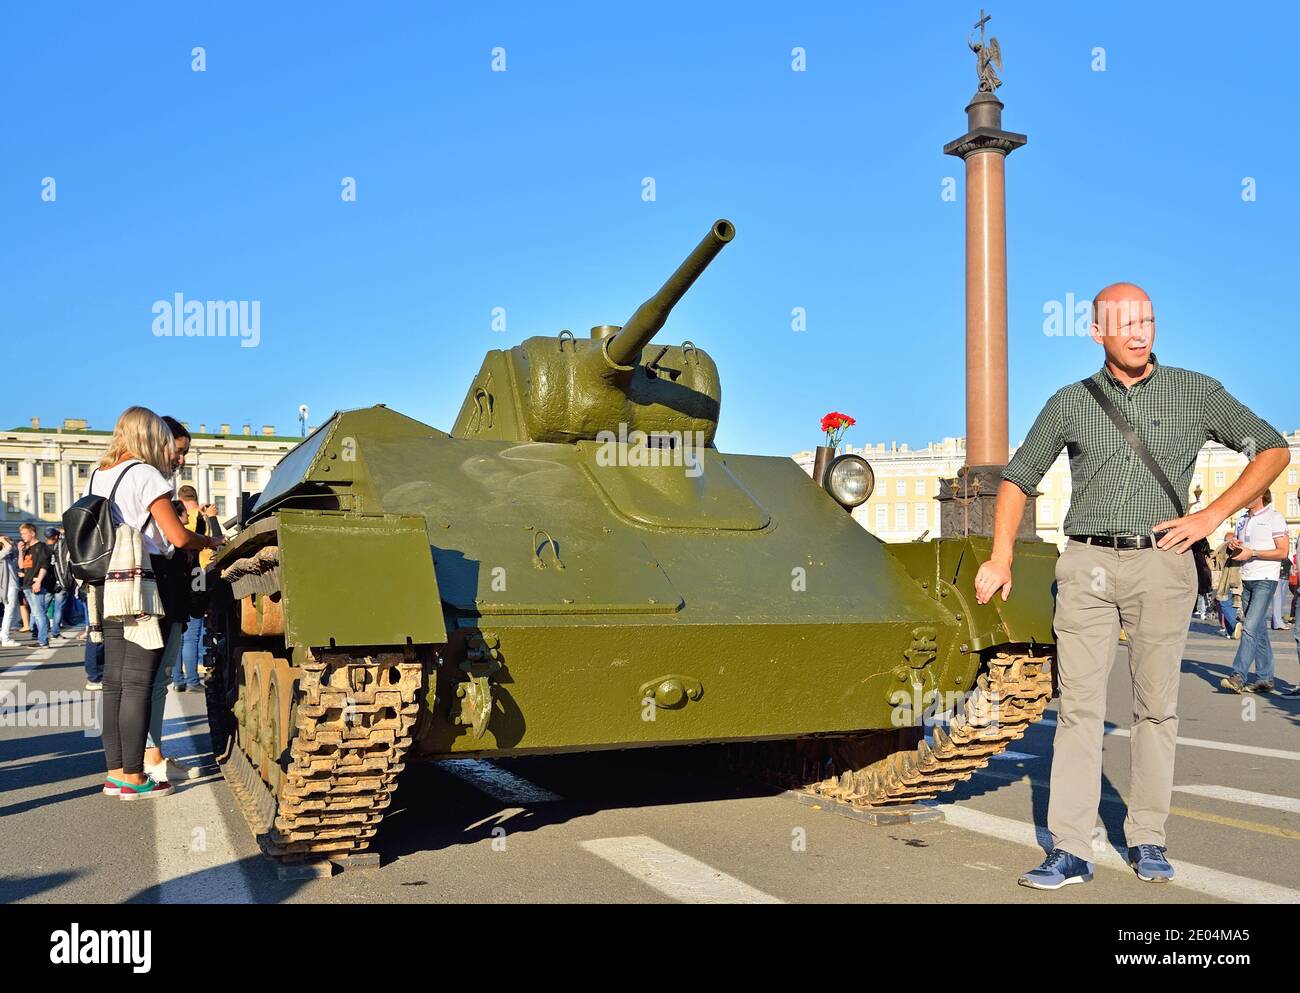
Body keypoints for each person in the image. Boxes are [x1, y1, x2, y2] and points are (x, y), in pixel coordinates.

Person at [974, 282, 1289, 890]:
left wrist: (1209, 517)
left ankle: (1147, 837)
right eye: (1125, 323)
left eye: (1147, 319)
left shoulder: (1195, 391)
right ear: (1097, 332)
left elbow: (1272, 448)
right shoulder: (1071, 401)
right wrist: (1003, 557)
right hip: (1087, 562)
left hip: (1160, 563)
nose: (1140, 332)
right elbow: (1018, 478)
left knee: (1156, 709)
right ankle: (1069, 848)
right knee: (1080, 710)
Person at [90, 406, 222, 799]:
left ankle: (116, 771)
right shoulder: (144, 475)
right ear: (149, 437)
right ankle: (134, 776)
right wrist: (210, 541)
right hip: (145, 584)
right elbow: (177, 537)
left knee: (114, 682)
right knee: (139, 683)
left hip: (108, 583)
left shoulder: (101, 473)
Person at [1219, 491, 1290, 694]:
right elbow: (1241, 550)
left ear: (1260, 496)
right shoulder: (1242, 520)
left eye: (1249, 493)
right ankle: (1265, 677)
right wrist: (1233, 545)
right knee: (1258, 630)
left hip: (1266, 579)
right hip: (1247, 578)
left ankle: (1238, 676)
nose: (1243, 497)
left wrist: (1254, 553)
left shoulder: (1274, 518)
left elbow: (1282, 552)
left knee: (1249, 627)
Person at [18, 522, 51, 648]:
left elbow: (44, 565)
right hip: (26, 584)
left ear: (32, 533)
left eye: (25, 533)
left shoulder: (41, 547)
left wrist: (38, 581)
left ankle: (43, 641)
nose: (23, 536)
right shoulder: (27, 549)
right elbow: (21, 566)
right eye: (21, 534)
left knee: (39, 613)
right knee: (36, 613)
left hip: (35, 584)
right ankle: (40, 638)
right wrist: (21, 551)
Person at [1211, 534, 1243, 639]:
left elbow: (1215, 566)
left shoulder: (1223, 550)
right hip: (1236, 581)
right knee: (1231, 606)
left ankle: (1234, 625)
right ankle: (1232, 631)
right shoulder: (1239, 549)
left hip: (1225, 582)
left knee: (1224, 604)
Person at [44, 527, 71, 641]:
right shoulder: (60, 546)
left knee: (41, 608)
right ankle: (55, 632)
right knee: (58, 609)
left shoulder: (43, 548)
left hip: (47, 583)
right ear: (56, 536)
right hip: (60, 581)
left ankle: (38, 630)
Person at [0, 535, 21, 647]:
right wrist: (3, 539)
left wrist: (7, 540)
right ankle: (5, 638)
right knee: (9, 612)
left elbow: (11, 547)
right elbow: (8, 547)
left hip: (12, 586)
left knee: (16, 615)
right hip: (7, 587)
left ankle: (3, 633)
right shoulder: (1, 555)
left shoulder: (7, 556)